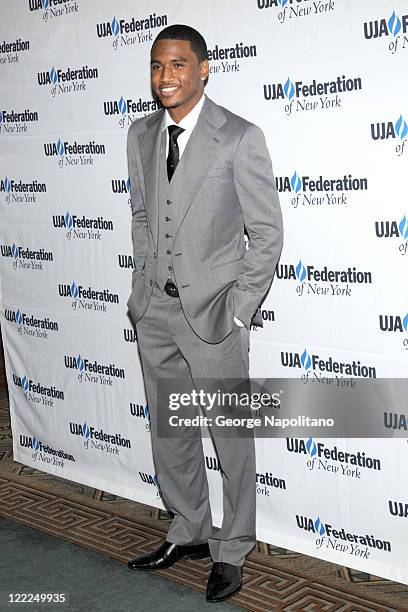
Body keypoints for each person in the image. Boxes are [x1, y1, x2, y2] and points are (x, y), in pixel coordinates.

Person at [126, 24, 283, 603]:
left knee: (230, 438)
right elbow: (143, 216)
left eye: (178, 65)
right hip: (156, 313)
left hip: (215, 316)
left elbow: (266, 234)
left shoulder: (240, 137)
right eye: (156, 66)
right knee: (171, 432)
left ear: (204, 68)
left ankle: (234, 546)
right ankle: (190, 528)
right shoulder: (140, 135)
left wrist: (238, 311)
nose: (165, 77)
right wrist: (141, 290)